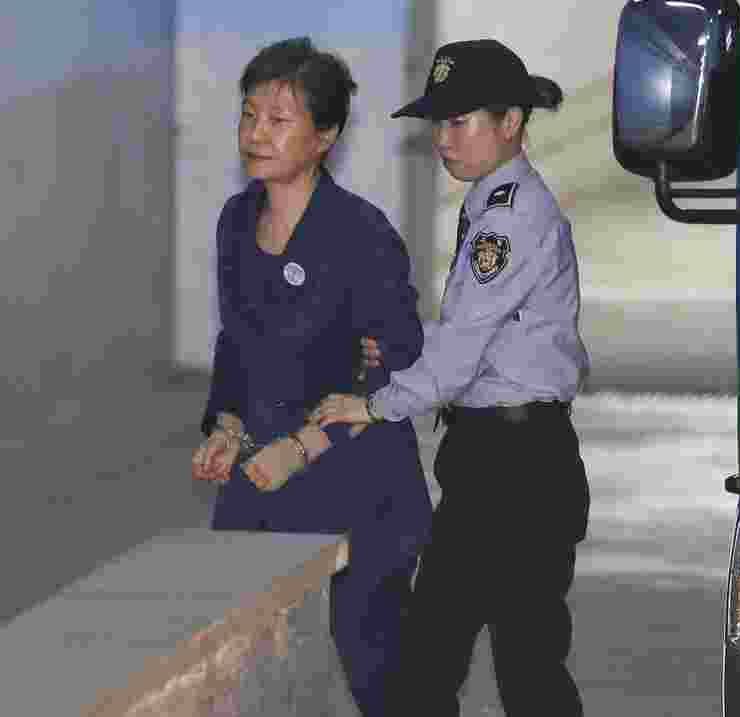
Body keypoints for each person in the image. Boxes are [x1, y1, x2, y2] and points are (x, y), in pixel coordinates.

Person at [309, 38, 591, 717]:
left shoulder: (510, 220)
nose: (443, 139)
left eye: (459, 122)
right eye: (438, 123)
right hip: (494, 459)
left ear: (511, 123)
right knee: (433, 655)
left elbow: (460, 350)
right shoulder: (494, 206)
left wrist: (376, 404)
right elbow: (470, 339)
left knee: (521, 667)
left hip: (519, 469)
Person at [188, 37, 431, 717]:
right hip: (263, 479)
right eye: (248, 115)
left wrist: (304, 445)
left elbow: (394, 371)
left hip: (358, 481)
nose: (256, 133)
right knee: (231, 658)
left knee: (377, 667)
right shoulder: (237, 222)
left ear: (324, 137)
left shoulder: (363, 235)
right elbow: (236, 343)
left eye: (278, 119)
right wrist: (226, 425)